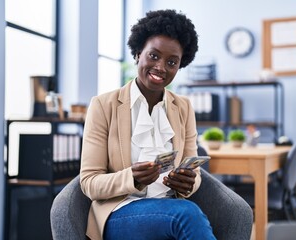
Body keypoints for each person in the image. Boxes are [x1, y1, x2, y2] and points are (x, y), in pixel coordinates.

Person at [80, 9, 216, 240]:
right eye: (154, 56)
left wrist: (188, 183)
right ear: (137, 53)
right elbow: (89, 183)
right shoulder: (103, 105)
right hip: (121, 211)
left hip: (170, 206)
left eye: (172, 62)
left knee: (183, 214)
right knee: (186, 216)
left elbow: (194, 172)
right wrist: (132, 178)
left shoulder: (183, 108)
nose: (161, 67)